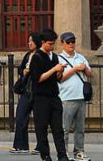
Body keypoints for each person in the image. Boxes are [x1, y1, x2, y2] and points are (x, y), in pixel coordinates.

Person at [28, 29, 67, 161]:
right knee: (42, 128)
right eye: (50, 43)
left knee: (58, 129)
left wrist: (59, 71)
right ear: (43, 42)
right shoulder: (37, 57)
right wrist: (54, 69)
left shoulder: (54, 57)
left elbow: (58, 79)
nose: (52, 46)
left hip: (54, 96)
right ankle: (45, 155)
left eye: (53, 43)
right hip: (41, 98)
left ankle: (62, 155)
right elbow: (38, 78)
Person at [58, 32, 92, 161]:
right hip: (66, 98)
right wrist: (74, 69)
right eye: (68, 42)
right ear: (62, 43)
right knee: (64, 128)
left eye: (73, 41)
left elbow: (90, 74)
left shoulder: (80, 57)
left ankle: (79, 151)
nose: (71, 44)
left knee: (80, 128)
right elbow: (60, 78)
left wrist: (84, 68)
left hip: (81, 97)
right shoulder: (59, 59)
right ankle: (64, 152)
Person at [11, 33, 42, 155]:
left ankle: (41, 146)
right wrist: (23, 71)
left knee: (40, 120)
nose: (29, 43)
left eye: (31, 41)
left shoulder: (41, 55)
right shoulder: (28, 55)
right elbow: (21, 69)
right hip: (26, 90)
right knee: (20, 116)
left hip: (38, 91)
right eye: (29, 41)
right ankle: (20, 145)